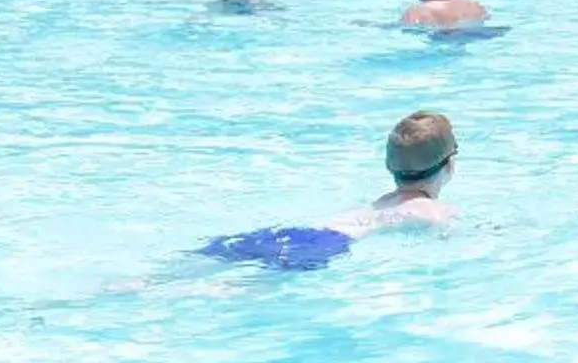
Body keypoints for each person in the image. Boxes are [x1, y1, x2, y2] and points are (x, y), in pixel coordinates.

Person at [194, 111, 458, 270]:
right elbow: (444, 238)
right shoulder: (432, 210)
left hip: (292, 234)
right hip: (325, 247)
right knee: (238, 289)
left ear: (390, 167)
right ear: (450, 166)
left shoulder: (383, 202)